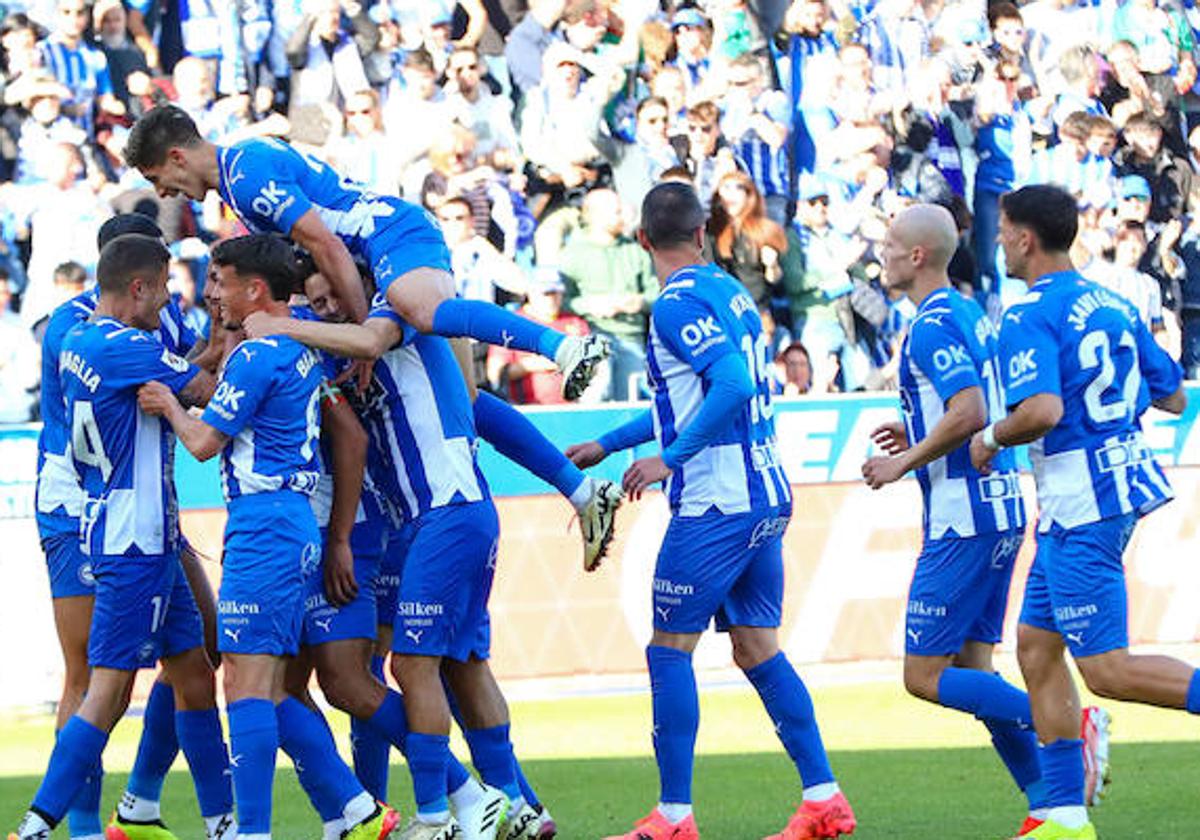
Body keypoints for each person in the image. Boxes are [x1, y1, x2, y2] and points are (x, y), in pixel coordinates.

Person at [567, 182, 856, 840]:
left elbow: (730, 384)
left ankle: (673, 818)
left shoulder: (672, 306)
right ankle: (823, 798)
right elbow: (692, 397)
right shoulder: (728, 290)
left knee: (669, 651)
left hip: (716, 501)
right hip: (765, 493)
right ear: (703, 233)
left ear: (642, 241)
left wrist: (671, 459)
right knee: (757, 649)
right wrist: (610, 444)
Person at [235, 267, 548, 840]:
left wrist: (339, 543)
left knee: (359, 678)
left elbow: (469, 403)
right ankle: (378, 812)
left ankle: (448, 804)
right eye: (319, 300)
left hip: (380, 528)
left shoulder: (375, 327)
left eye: (334, 297)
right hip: (394, 525)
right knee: (393, 673)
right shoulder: (329, 344)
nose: (329, 308)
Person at [136, 234, 401, 840]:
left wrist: (170, 407)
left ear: (255, 288)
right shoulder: (298, 348)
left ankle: (251, 829)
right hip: (291, 520)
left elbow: (204, 444)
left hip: (265, 523)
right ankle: (353, 811)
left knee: (247, 684)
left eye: (220, 282)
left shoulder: (258, 354)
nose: (212, 295)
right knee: (268, 683)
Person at [970, 184, 1199, 840]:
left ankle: (1065, 812)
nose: (1000, 243)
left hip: (1082, 501)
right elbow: (1176, 398)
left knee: (1108, 670)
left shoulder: (1026, 313)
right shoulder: (1113, 302)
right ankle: (1064, 817)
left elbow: (1042, 411)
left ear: (1023, 238)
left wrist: (989, 438)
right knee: (1036, 648)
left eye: (1004, 231)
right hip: (1108, 488)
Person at [122, 105, 609, 401]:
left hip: (391, 234)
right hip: (377, 253)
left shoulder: (247, 177)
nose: (163, 193)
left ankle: (562, 347)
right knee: (466, 401)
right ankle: (580, 490)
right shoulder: (239, 172)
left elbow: (328, 246)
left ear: (177, 158)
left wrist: (358, 332)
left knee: (419, 312)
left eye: (155, 178)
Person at [9, 234, 236, 840]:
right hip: (116, 531)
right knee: (98, 683)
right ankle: (51, 824)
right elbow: (202, 390)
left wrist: (212, 338)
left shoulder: (91, 336)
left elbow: (186, 366)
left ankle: (200, 818)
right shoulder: (113, 342)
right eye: (162, 287)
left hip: (150, 527)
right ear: (136, 283)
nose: (169, 301)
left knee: (193, 667)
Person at [859, 205, 1066, 835]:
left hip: (963, 520)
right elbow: (967, 405)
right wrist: (919, 430)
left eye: (891, 244)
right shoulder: (970, 312)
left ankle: (1063, 721)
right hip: (997, 508)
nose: (882, 255)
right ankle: (1048, 807)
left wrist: (906, 462)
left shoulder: (929, 325)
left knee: (925, 676)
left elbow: (971, 411)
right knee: (976, 672)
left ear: (918, 255)